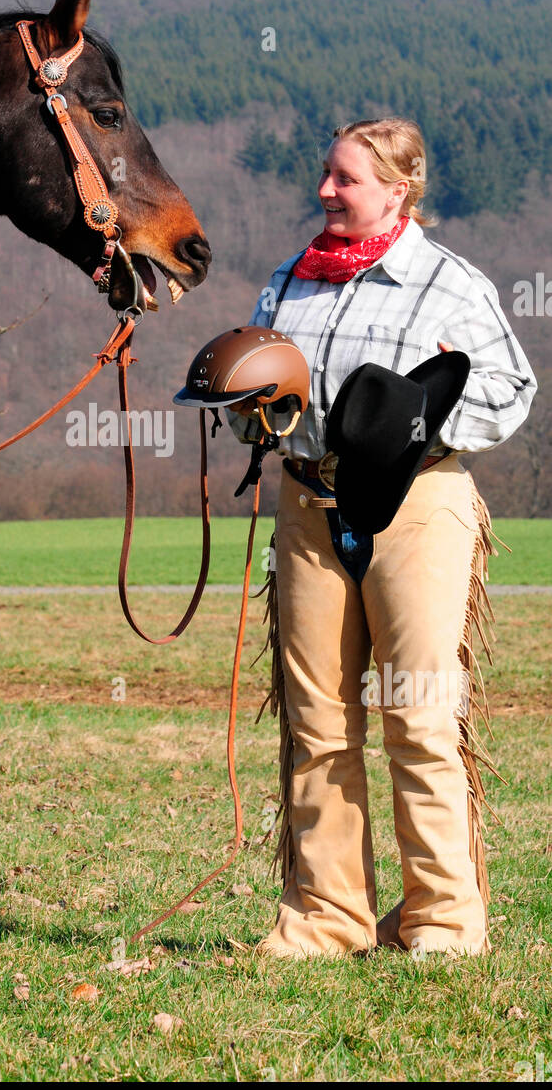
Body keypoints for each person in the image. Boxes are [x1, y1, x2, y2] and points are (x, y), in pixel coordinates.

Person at [227, 117, 537, 957]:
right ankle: (327, 918)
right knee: (317, 720)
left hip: (415, 506)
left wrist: (423, 419)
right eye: (325, 175)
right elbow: (261, 377)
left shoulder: (446, 283)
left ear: (397, 191)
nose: (325, 190)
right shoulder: (289, 279)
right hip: (306, 506)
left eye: (345, 179)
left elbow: (512, 391)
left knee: (418, 711)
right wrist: (250, 403)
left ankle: (442, 920)